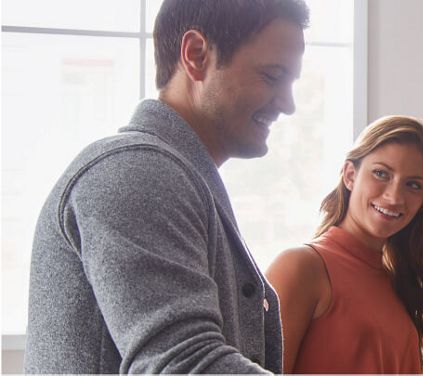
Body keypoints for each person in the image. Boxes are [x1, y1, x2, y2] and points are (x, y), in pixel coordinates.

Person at [24, 0, 308, 373]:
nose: (288, 104)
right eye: (272, 76)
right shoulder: (136, 171)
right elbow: (184, 365)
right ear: (196, 55)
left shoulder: (175, 174)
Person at [266, 115, 423, 373]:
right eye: (381, 173)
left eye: (413, 185)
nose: (394, 196)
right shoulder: (301, 268)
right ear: (350, 175)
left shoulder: (398, 284)